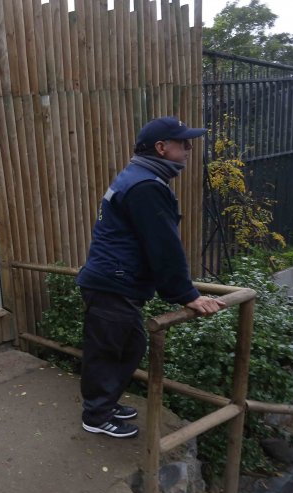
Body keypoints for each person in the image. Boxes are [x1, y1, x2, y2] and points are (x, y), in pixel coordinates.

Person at [75, 116, 227, 438]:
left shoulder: (139, 177)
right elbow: (164, 247)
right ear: (161, 148)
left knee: (130, 346)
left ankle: (105, 403)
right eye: (182, 142)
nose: (188, 148)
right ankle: (96, 415)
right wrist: (186, 295)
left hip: (115, 281)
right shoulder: (145, 186)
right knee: (106, 352)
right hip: (112, 283)